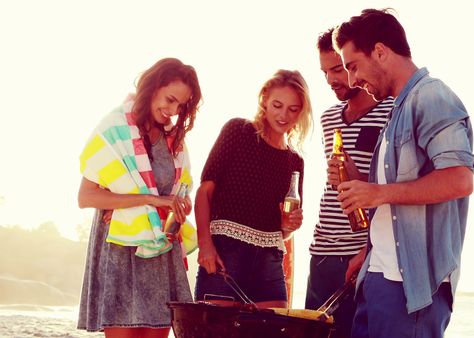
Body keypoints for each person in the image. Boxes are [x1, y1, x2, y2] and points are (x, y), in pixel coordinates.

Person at [333, 9, 474, 338]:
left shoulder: (431, 96)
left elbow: (459, 178)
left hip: (410, 290)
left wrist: (379, 193)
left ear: (381, 52)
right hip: (378, 279)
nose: (353, 80)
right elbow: (397, 197)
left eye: (353, 66)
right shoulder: (397, 110)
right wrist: (369, 251)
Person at [77, 57, 203, 338]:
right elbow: (86, 197)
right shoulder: (114, 128)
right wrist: (151, 200)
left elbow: (178, 190)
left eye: (180, 106)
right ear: (154, 86)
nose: (172, 111)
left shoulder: (174, 139)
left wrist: (180, 205)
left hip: (161, 251)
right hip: (122, 250)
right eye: (170, 100)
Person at [194, 69, 312, 309]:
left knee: (272, 331)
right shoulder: (237, 131)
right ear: (265, 100)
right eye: (277, 105)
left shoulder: (295, 161)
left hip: (270, 261)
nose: (283, 115)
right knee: (215, 333)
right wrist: (205, 244)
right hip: (226, 253)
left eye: (293, 109)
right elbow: (204, 192)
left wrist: (288, 225)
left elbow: (283, 232)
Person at [304, 28, 393, 338]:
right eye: (325, 71)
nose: (331, 79)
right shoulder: (329, 119)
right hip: (322, 252)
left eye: (338, 69)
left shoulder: (390, 112)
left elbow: (392, 185)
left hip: (364, 254)